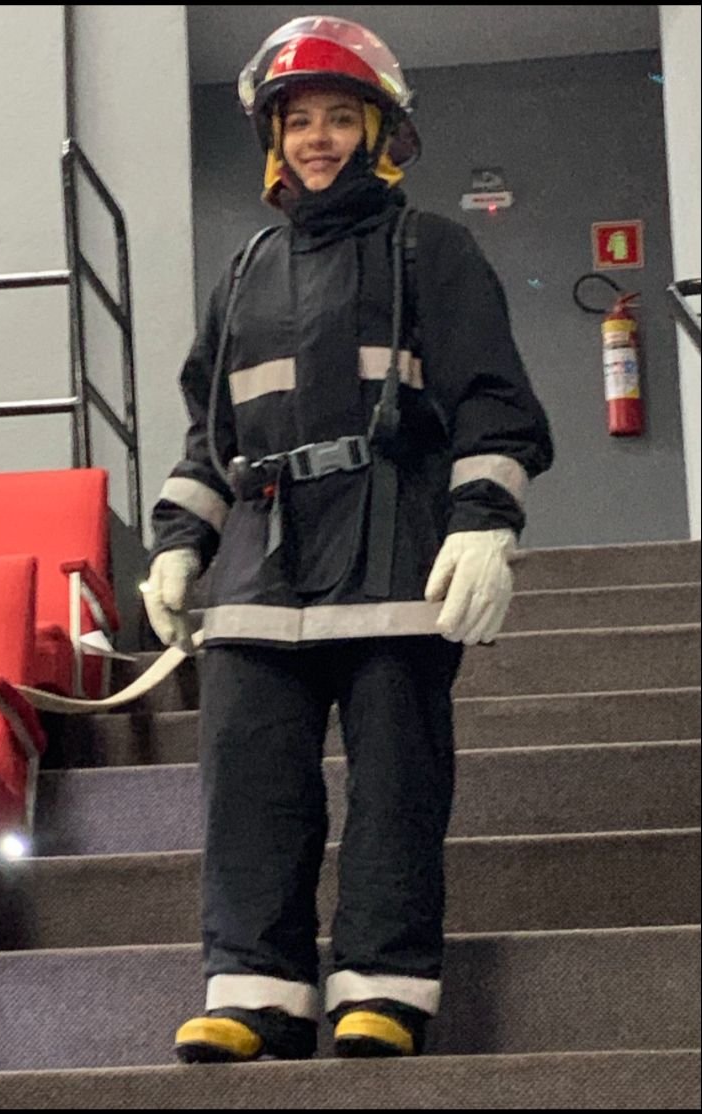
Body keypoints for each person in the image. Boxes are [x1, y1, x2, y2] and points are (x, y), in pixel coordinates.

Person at [143, 15, 553, 1063]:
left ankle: (382, 987)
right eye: (298, 121)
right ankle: (255, 991)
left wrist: (483, 525)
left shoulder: (432, 248)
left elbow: (492, 402)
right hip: (259, 565)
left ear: (378, 133)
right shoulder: (244, 270)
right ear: (273, 140)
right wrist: (180, 541)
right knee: (249, 789)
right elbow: (210, 432)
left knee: (396, 789)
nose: (316, 138)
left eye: (337, 117)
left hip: (391, 551)